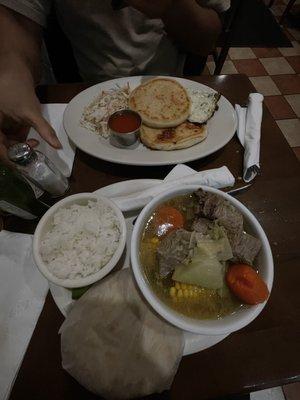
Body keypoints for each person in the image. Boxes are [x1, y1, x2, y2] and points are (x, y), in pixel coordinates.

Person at [0, 0, 230, 160]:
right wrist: (10, 78)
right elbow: (16, 31)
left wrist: (174, 7)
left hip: (173, 83)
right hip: (79, 89)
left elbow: (207, 40)